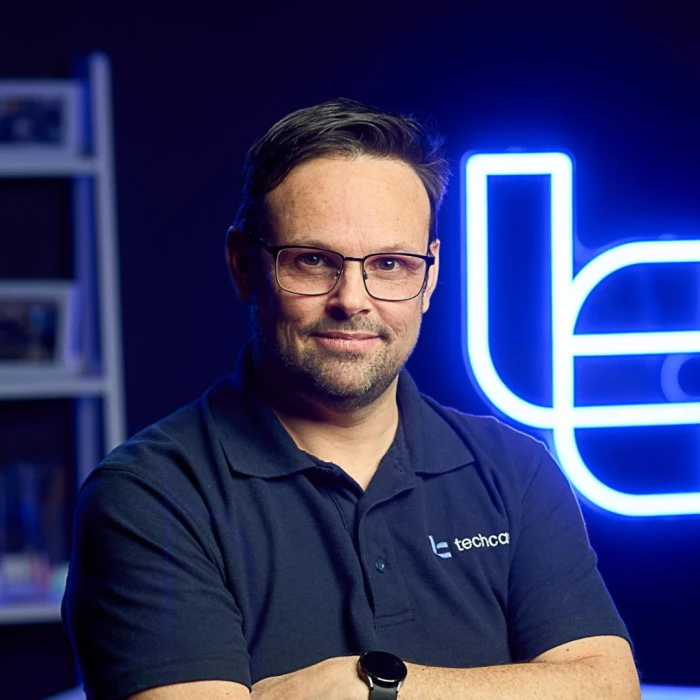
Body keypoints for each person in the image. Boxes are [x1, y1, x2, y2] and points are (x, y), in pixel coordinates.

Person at [63, 98, 640, 700]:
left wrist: (368, 687)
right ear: (242, 266)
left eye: (390, 264)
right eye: (313, 261)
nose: (353, 300)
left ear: (430, 277)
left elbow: (606, 686)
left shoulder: (515, 471)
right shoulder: (151, 496)